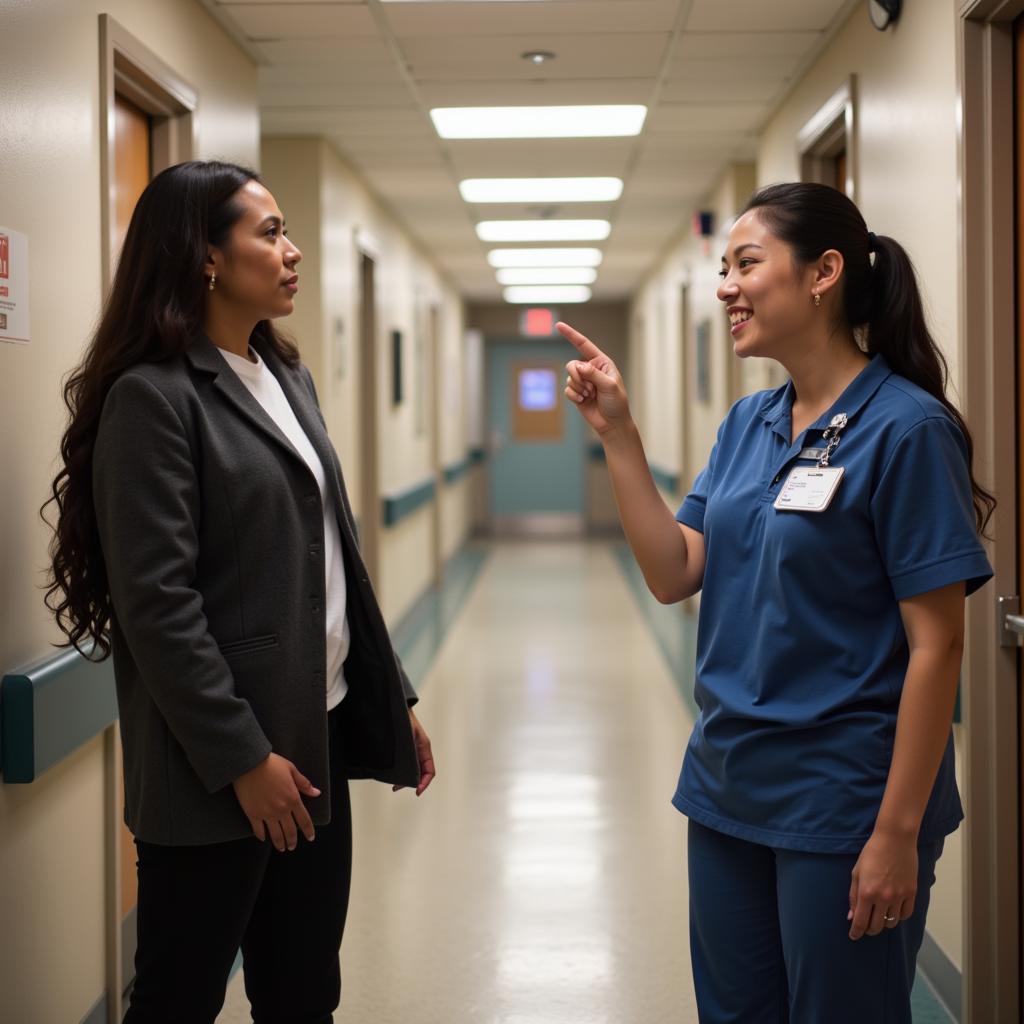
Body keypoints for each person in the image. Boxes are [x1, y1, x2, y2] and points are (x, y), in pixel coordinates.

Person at [560, 182, 994, 1023]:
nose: (725, 285)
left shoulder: (905, 430)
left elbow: (938, 648)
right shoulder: (749, 423)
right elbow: (673, 571)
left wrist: (897, 832)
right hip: (728, 785)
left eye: (746, 264)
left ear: (825, 272)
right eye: (723, 267)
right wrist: (619, 435)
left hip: (845, 801)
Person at [43, 160, 435, 1024]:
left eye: (288, 231)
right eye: (270, 232)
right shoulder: (155, 398)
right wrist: (244, 762)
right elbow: (158, 607)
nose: (292, 252)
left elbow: (335, 555)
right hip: (217, 769)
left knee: (302, 993)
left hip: (316, 738)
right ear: (205, 257)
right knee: (179, 998)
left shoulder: (284, 375)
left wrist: (387, 692)